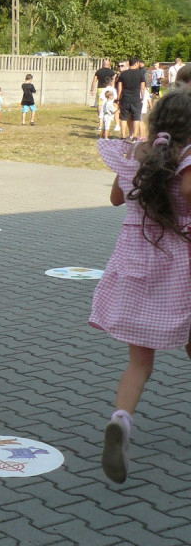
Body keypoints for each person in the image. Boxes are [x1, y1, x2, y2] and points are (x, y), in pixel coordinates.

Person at [89, 89, 191, 483]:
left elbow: (117, 199)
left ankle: (122, 419)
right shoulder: (185, 160)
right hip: (179, 265)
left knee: (139, 362)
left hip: (136, 261)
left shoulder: (134, 154)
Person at [116, 57, 145, 140]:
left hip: (125, 98)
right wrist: (142, 97)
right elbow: (142, 88)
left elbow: (119, 87)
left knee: (124, 118)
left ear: (129, 63)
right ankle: (135, 136)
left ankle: (123, 136)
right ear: (136, 64)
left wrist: (118, 98)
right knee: (136, 118)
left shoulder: (123, 74)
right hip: (136, 99)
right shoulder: (140, 74)